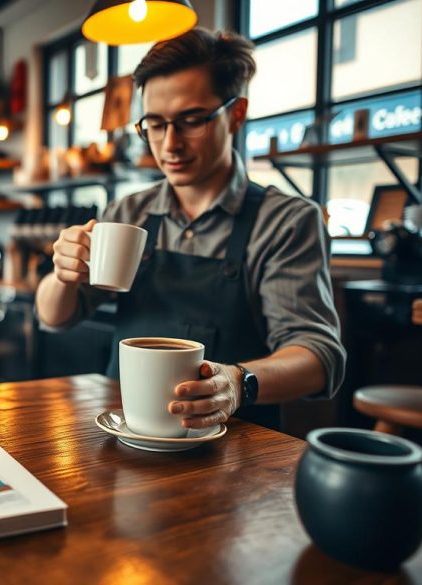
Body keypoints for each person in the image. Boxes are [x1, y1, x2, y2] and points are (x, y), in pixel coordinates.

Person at [34, 28, 345, 431]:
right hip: (128, 432)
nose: (170, 145)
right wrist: (63, 276)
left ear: (236, 114)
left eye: (191, 121)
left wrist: (237, 384)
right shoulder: (130, 211)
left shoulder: (286, 221)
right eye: (155, 125)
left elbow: (318, 356)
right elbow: (55, 317)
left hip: (236, 450)